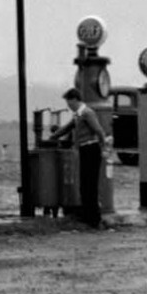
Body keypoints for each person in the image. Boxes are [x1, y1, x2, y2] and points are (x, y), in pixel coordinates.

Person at [50, 89, 111, 229]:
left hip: (91, 148)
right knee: (84, 184)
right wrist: (53, 137)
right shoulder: (78, 115)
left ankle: (94, 218)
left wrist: (103, 147)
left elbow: (98, 130)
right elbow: (67, 128)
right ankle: (87, 215)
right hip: (83, 149)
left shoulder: (87, 113)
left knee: (90, 184)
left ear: (75, 99)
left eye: (69, 102)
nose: (68, 105)